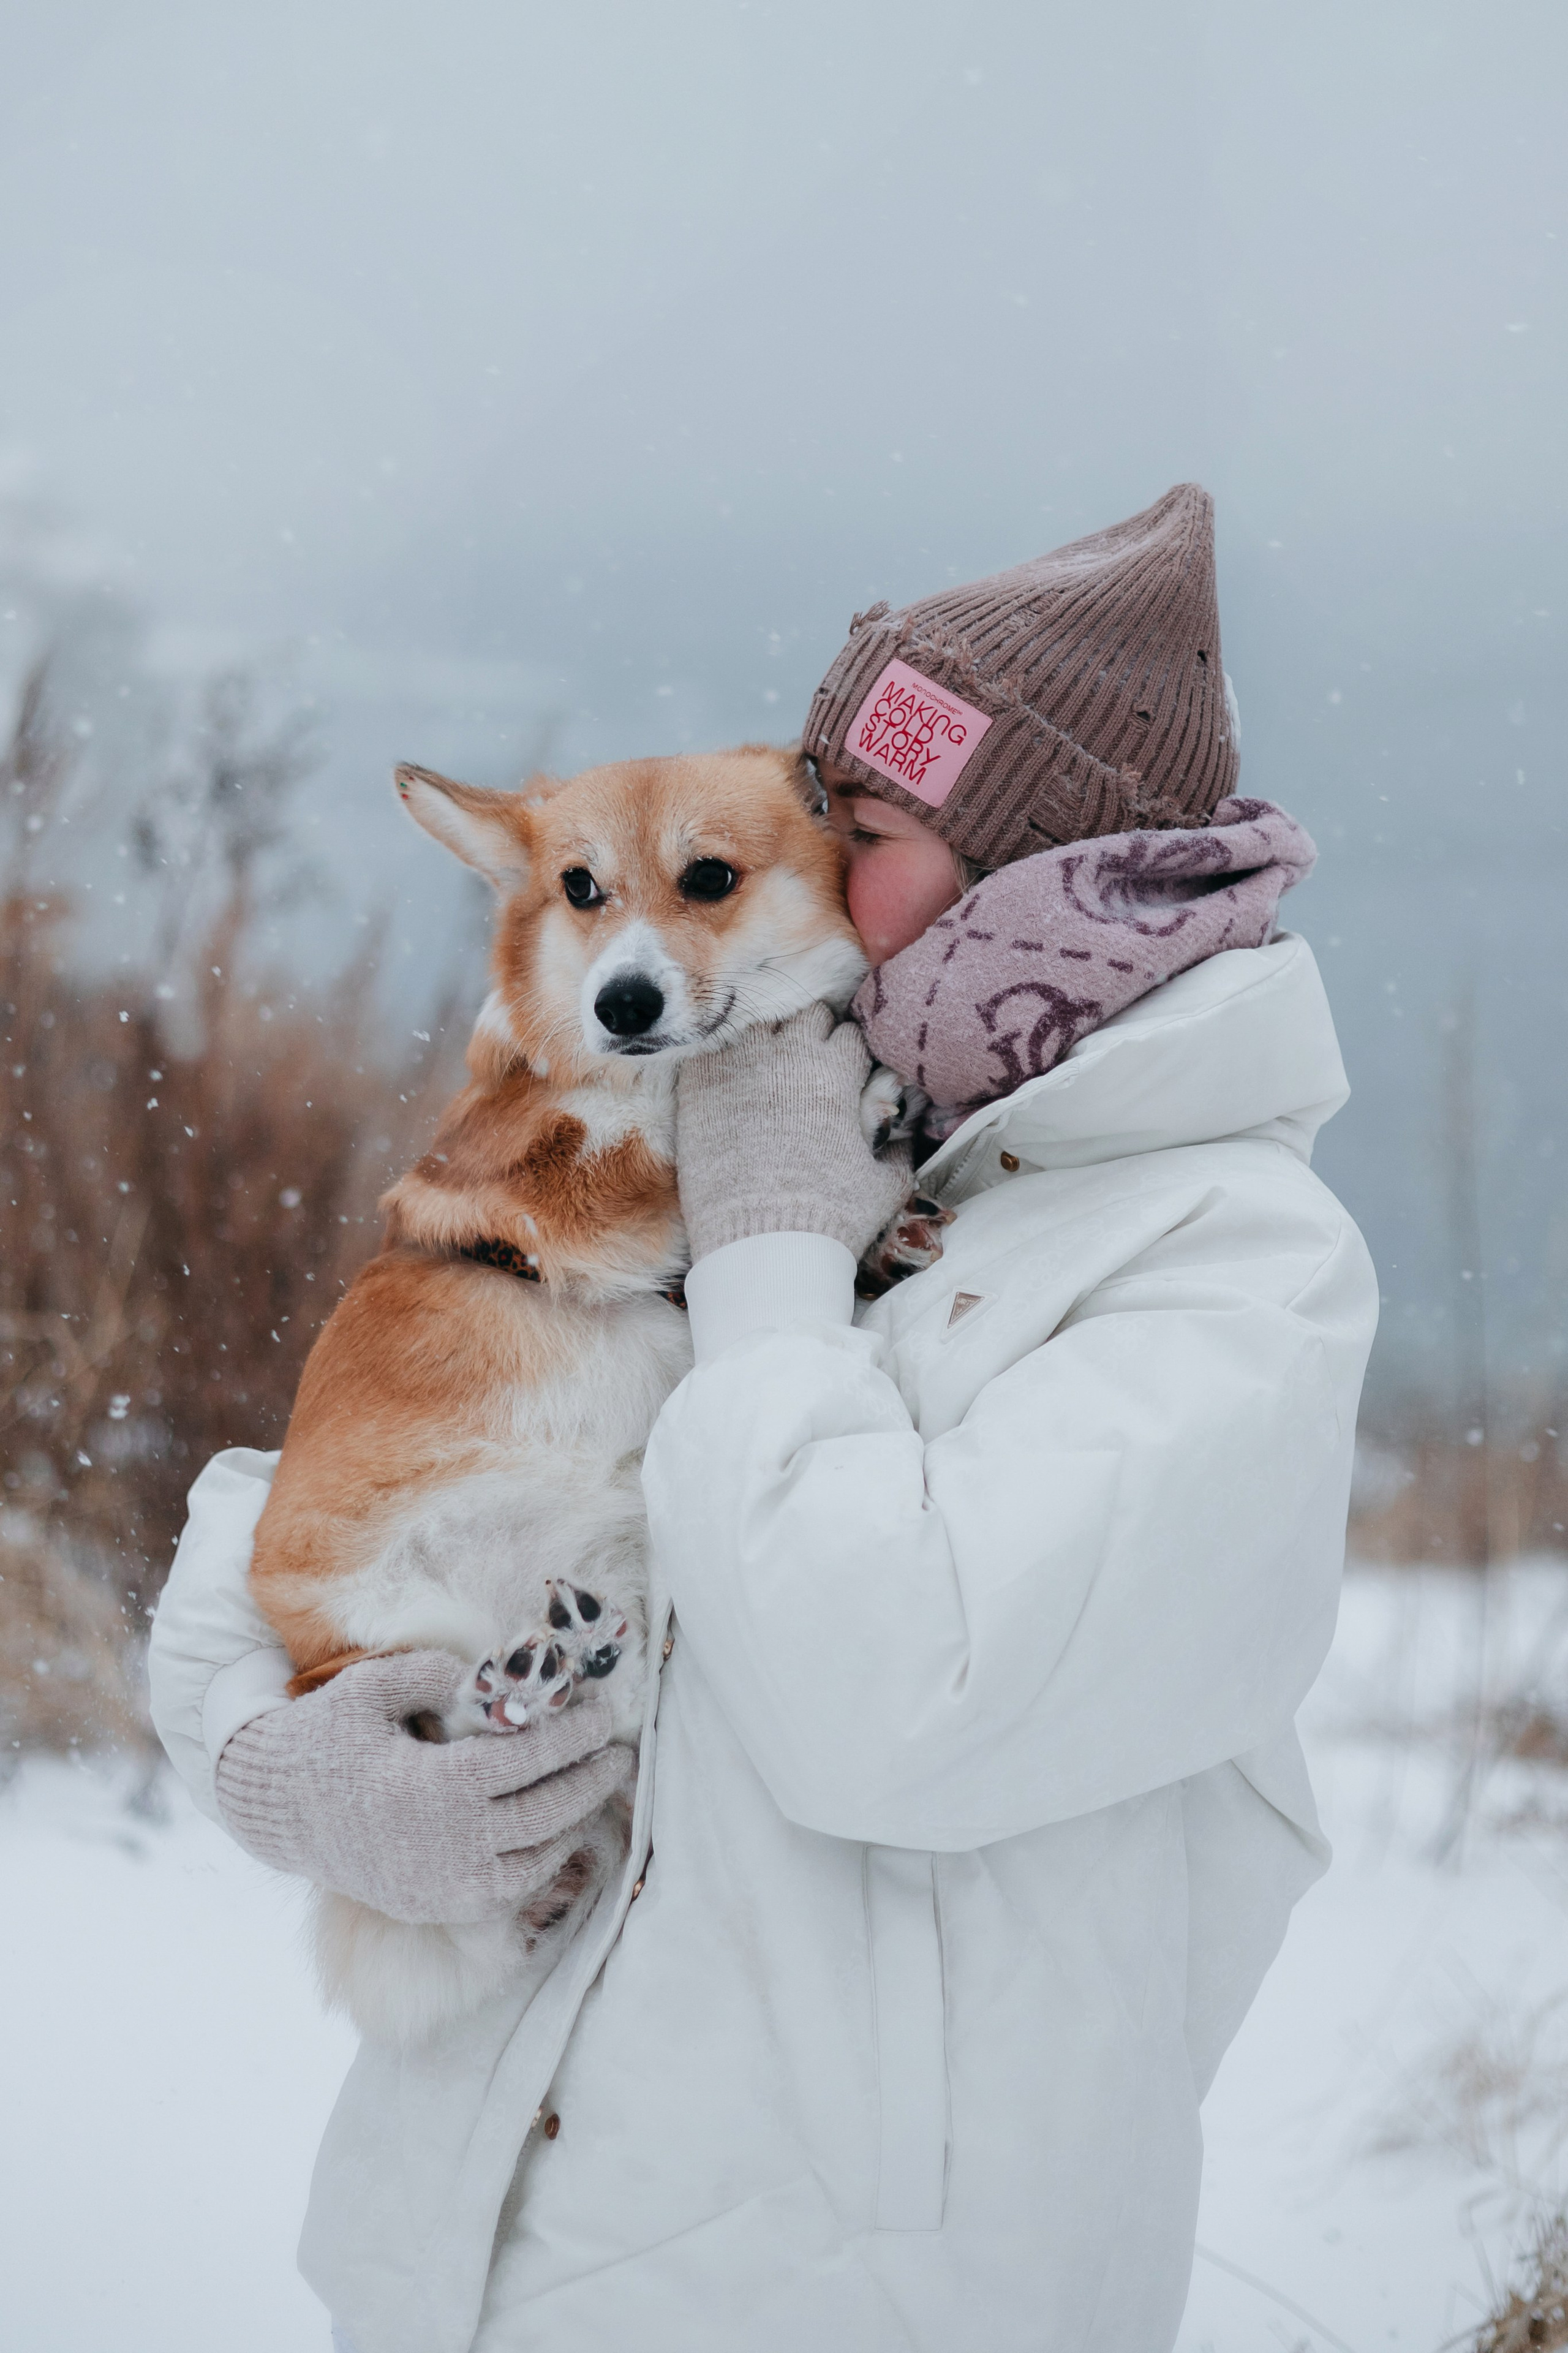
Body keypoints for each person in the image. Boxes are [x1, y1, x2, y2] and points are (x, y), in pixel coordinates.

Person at [148, 484, 1378, 2353]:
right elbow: (350, 1483)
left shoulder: (1231, 1275)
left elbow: (881, 1698)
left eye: (859, 831)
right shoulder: (840, 1122)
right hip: (477, 2268)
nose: (808, 875)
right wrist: (269, 1749)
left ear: (1040, 859)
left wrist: (778, 1261)